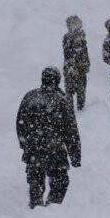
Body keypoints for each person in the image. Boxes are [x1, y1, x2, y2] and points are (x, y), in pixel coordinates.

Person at [16, 67, 82, 209]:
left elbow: (20, 124)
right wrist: (75, 155)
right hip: (55, 150)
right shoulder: (62, 100)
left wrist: (25, 144)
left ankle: (36, 207)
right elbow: (71, 131)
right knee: (60, 182)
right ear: (57, 80)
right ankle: (52, 207)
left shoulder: (30, 97)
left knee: (35, 182)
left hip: (34, 149)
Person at [62, 15, 90, 111]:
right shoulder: (67, 37)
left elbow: (85, 52)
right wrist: (73, 67)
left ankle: (81, 112)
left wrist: (86, 64)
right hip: (71, 70)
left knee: (81, 92)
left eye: (78, 22)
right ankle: (69, 113)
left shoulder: (82, 35)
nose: (79, 25)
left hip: (81, 69)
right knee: (69, 92)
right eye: (76, 23)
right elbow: (68, 54)